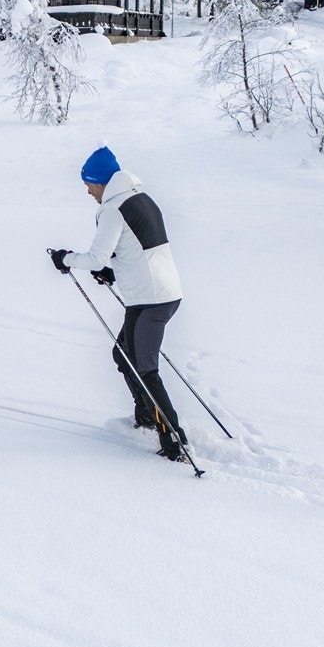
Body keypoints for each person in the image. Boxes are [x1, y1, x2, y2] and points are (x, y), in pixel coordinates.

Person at [48, 147, 188, 462]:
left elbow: (96, 255)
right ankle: (147, 418)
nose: (87, 191)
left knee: (145, 369)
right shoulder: (140, 198)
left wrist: (65, 259)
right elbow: (137, 248)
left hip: (149, 300)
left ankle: (174, 441)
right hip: (160, 294)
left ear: (101, 182)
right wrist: (112, 270)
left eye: (89, 184)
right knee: (123, 354)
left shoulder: (113, 208)